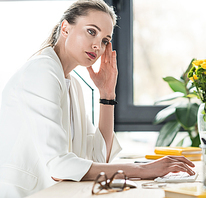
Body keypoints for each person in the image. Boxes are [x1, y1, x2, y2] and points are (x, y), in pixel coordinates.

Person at [0, 0, 195, 197]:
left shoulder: (72, 84)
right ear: (65, 28)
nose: (97, 46)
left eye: (104, 40)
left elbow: (99, 158)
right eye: (92, 32)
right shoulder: (42, 70)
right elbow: (59, 167)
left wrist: (107, 94)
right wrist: (143, 169)